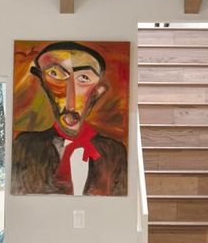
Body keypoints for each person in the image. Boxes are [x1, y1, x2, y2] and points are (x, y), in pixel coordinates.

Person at [12, 41, 128, 196]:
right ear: (42, 82)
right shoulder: (24, 147)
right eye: (55, 74)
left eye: (84, 78)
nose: (70, 101)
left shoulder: (114, 153)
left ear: (98, 91)